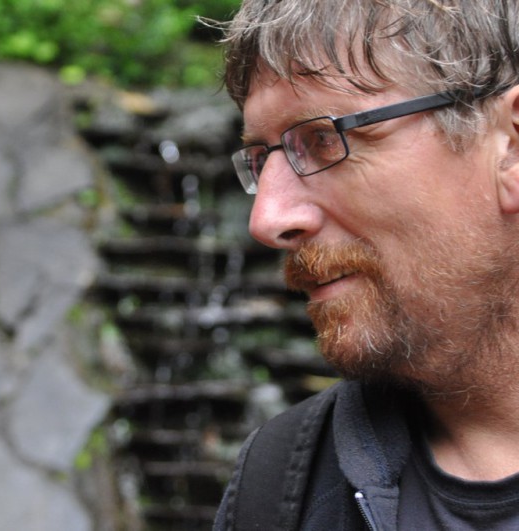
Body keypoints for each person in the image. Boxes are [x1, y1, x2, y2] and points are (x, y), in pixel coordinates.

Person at [213, 1, 519, 529]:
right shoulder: (279, 483)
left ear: (511, 147)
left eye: (324, 138)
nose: (266, 219)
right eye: (262, 160)